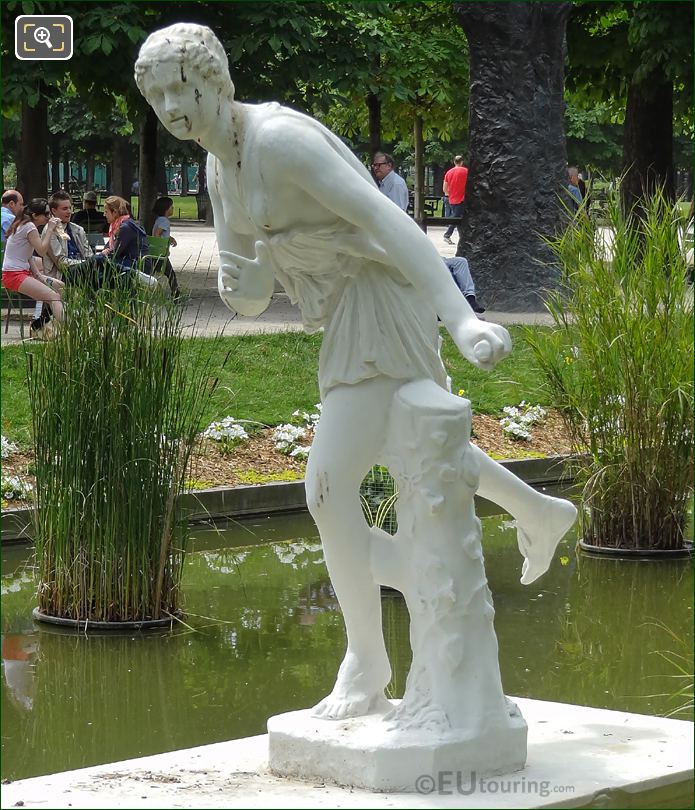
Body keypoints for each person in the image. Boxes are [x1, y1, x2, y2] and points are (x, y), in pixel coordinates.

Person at [136, 23, 577, 721]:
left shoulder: (280, 141)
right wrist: (237, 280)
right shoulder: (220, 168)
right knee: (415, 437)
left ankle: (367, 659)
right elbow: (249, 297)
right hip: (340, 309)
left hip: (380, 300)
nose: (170, 106)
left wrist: (459, 316)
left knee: (327, 487)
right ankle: (535, 511)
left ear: (214, 81)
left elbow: (388, 219)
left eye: (179, 88)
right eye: (157, 95)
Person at [32, 191, 93, 335]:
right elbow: (61, 263)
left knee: (101, 266)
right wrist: (87, 264)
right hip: (63, 275)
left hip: (82, 270)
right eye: (64, 209)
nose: (69, 211)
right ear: (53, 211)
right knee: (100, 264)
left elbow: (89, 254)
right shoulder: (50, 231)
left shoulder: (78, 230)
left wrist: (89, 263)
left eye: (70, 208)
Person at [1, 198, 64, 332]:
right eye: (46, 214)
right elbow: (41, 251)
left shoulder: (23, 224)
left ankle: (42, 323)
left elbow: (28, 255)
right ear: (35, 216)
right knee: (54, 297)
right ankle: (69, 331)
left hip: (19, 272)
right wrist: (50, 230)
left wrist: (39, 276)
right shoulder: (29, 227)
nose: (49, 217)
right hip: (14, 275)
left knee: (60, 287)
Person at [151, 196, 180, 296]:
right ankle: (176, 294)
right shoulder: (165, 221)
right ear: (166, 210)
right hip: (160, 253)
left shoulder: (159, 219)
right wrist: (161, 247)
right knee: (170, 274)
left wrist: (170, 239)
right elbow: (157, 234)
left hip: (155, 252)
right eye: (171, 207)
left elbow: (162, 234)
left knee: (151, 272)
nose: (173, 209)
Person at [442, 155, 468, 245]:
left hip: (452, 199)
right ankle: (447, 235)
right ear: (462, 162)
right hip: (462, 198)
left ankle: (463, 237)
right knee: (456, 218)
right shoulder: (466, 171)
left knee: (459, 218)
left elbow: (444, 188)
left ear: (454, 162)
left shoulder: (449, 173)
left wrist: (450, 194)